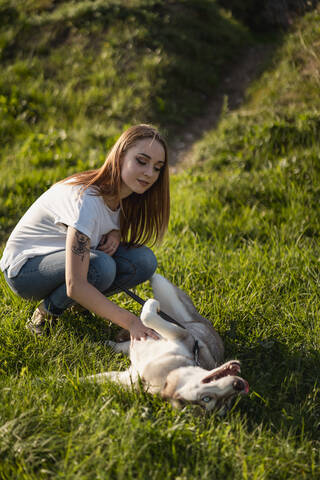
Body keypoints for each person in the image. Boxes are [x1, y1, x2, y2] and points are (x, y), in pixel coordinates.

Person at [0, 124, 170, 340]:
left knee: (143, 261)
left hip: (61, 259)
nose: (149, 173)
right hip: (24, 271)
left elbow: (107, 218)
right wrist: (132, 323)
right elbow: (75, 284)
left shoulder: (127, 196)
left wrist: (116, 232)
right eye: (141, 161)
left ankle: (79, 305)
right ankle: (46, 313)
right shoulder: (86, 200)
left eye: (157, 167)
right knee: (102, 266)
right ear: (119, 156)